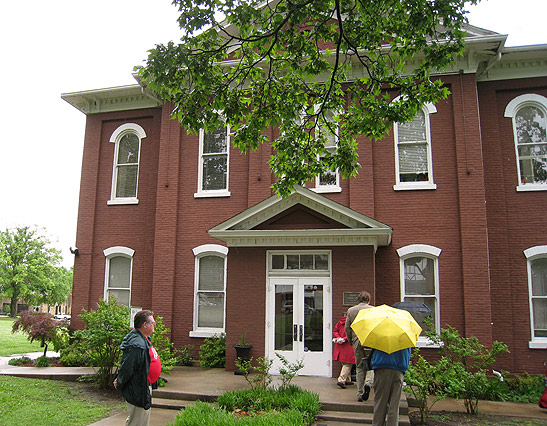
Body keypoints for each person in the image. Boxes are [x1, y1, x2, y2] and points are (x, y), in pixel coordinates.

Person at [114, 310, 162, 426]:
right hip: (138, 388)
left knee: (140, 420)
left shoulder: (144, 339)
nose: (154, 325)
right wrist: (119, 381)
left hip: (144, 386)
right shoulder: (137, 344)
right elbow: (128, 367)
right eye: (152, 323)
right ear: (144, 325)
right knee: (137, 422)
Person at [345, 290, 374, 401]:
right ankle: (368, 383)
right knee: (371, 365)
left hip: (357, 340)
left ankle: (359, 393)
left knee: (359, 367)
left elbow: (347, 327)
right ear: (368, 300)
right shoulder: (373, 310)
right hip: (370, 340)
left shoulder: (351, 311)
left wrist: (350, 340)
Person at [332, 312, 356, 389]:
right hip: (348, 346)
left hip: (340, 346)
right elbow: (352, 334)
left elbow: (335, 331)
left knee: (344, 363)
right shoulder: (352, 323)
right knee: (348, 364)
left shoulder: (340, 322)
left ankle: (348, 380)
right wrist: (344, 339)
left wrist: (338, 338)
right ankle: (341, 380)